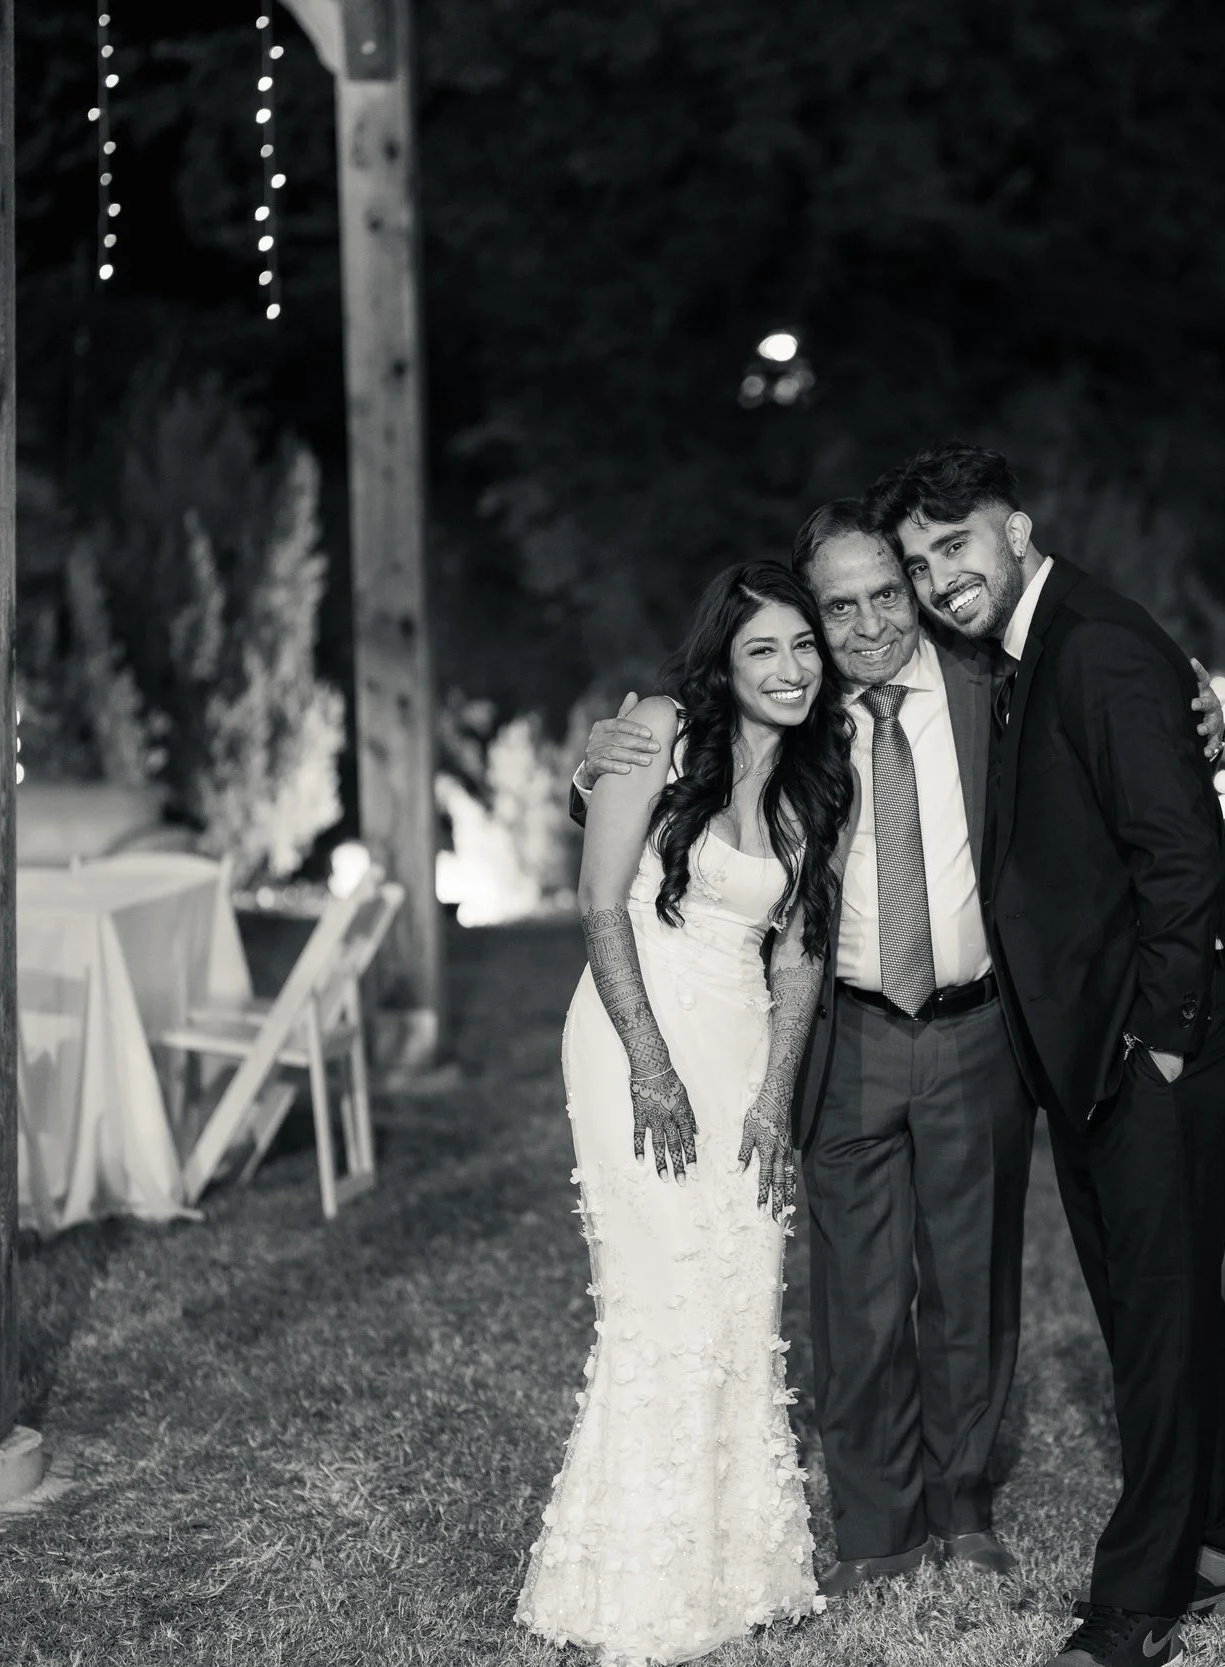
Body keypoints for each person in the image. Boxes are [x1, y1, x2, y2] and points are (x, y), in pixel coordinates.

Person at [573, 507, 1225, 1606]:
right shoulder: (799, 700)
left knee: (971, 1287)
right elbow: (682, 769)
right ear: (815, 618)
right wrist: (603, 751)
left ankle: (963, 1506)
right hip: (846, 1025)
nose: (870, 622)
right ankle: (876, 1526)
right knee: (858, 1294)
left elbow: (1109, 690)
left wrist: (1192, 701)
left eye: (888, 592)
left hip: (982, 1028)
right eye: (840, 606)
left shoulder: (991, 685)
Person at [869, 443, 1225, 1667]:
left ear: (1016, 527)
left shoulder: (1093, 641)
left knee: (1151, 1315)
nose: (940, 577)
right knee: (1158, 1302)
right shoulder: (1024, 645)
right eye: (918, 561)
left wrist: (1155, 1040)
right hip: (1098, 1038)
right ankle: (1224, 1548)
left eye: (955, 546)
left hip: (1159, 1032)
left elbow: (1178, 855)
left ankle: (1135, 1599)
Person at [518, 562, 855, 1667]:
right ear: (724, 661)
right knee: (660, 1293)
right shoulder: (658, 732)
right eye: (764, 649)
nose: (791, 668)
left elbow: (800, 953)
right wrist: (651, 1068)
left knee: (740, 1286)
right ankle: (636, 1582)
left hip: (743, 1038)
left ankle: (739, 1567)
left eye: (804, 646)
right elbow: (598, 900)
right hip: (633, 1029)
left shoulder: (816, 778)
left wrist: (774, 1094)